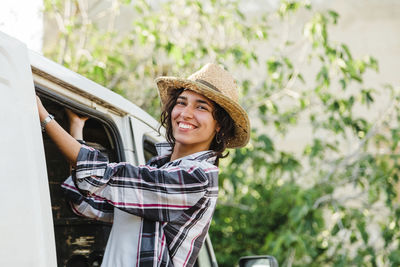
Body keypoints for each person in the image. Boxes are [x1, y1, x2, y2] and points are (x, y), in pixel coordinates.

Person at [36, 63, 250, 266]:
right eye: (182, 102)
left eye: (201, 107)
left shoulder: (198, 177)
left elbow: (102, 176)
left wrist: (44, 117)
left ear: (220, 125)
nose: (185, 113)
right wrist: (76, 127)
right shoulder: (157, 169)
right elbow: (88, 204)